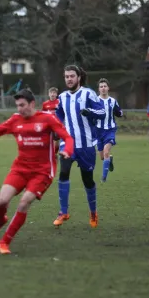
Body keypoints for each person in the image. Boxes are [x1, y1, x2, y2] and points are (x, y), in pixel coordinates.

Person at [0, 89, 74, 255]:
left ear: (32, 104)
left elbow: (67, 137)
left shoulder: (47, 118)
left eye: (22, 105)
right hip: (20, 168)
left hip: (42, 171)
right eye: (17, 105)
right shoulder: (15, 120)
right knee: (2, 201)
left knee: (24, 202)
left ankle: (4, 242)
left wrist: (67, 150)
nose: (19, 109)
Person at [53, 65, 106, 228]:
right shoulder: (62, 97)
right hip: (68, 143)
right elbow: (59, 115)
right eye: (66, 76)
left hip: (86, 145)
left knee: (87, 180)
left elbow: (102, 112)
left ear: (79, 77)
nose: (69, 79)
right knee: (63, 173)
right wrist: (58, 129)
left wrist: (89, 111)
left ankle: (93, 212)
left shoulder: (88, 93)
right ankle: (63, 212)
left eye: (72, 76)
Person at [95, 78, 123, 182]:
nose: (103, 88)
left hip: (110, 130)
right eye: (101, 86)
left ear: (108, 88)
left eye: (105, 86)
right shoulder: (95, 101)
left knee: (106, 152)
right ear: (99, 89)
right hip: (98, 131)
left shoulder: (112, 101)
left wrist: (120, 113)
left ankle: (103, 178)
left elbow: (119, 112)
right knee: (102, 157)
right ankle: (109, 159)